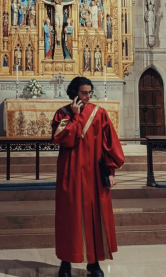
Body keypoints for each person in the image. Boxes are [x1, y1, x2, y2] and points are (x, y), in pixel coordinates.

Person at [51, 77, 124, 277]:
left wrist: (110, 171)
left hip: (93, 173)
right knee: (69, 218)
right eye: (84, 92)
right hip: (70, 173)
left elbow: (109, 144)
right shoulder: (62, 114)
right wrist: (75, 117)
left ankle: (93, 263)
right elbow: (64, 139)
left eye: (90, 92)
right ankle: (65, 262)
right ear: (75, 93)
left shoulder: (99, 113)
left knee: (94, 216)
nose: (88, 96)